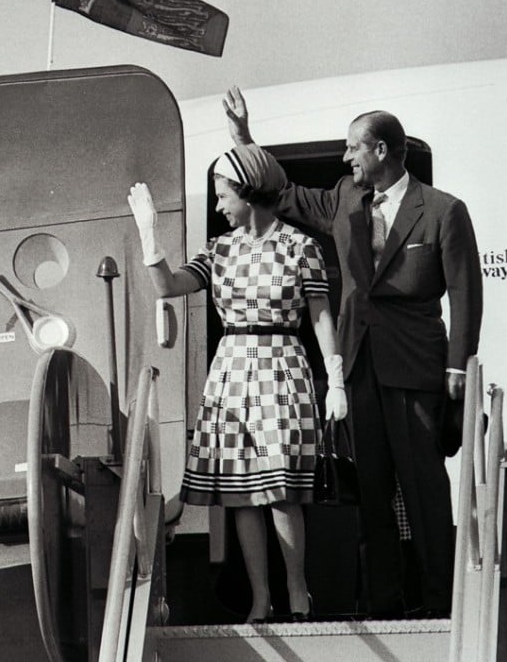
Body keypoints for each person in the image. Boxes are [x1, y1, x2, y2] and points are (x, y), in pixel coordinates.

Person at [223, 87, 482, 618]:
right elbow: (286, 195)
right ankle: (382, 603)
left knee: (425, 493)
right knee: (371, 493)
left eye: (353, 149)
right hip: (360, 366)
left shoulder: (443, 211)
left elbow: (465, 294)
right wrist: (244, 139)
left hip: (415, 369)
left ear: (381, 151)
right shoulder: (344, 197)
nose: (346, 159)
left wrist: (458, 367)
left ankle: (442, 605)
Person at [127, 143, 348, 623]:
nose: (219, 205)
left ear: (249, 193)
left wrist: (335, 378)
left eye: (223, 195)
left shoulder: (300, 246)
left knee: (282, 487)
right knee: (243, 492)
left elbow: (321, 314)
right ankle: (261, 598)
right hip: (231, 368)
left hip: (283, 363)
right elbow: (169, 286)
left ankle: (297, 590)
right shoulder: (220, 250)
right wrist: (149, 235)